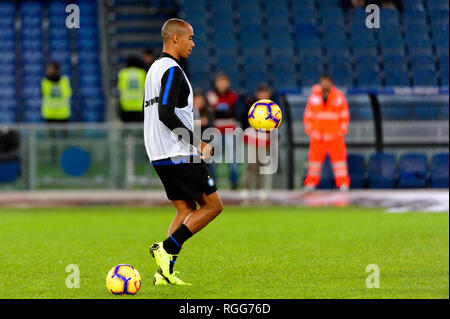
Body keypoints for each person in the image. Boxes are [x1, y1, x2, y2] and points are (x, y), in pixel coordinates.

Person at [144, 18, 223, 285]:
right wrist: (197, 143)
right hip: (176, 151)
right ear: (174, 39)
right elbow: (166, 113)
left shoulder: (154, 69)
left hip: (158, 153)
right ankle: (166, 248)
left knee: (185, 208)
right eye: (190, 38)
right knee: (213, 206)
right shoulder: (172, 70)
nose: (193, 43)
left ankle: (163, 274)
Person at [303, 74, 350, 191]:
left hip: (335, 137)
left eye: (327, 82)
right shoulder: (313, 98)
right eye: (323, 82)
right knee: (314, 162)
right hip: (318, 137)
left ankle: (343, 184)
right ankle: (310, 184)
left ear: (331, 83)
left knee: (339, 163)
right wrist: (311, 132)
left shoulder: (339, 98)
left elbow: (344, 116)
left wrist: (340, 132)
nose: (325, 85)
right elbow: (308, 116)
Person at [206, 72, 239, 189]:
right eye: (220, 82)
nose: (222, 85)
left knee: (232, 158)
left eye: (224, 82)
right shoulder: (211, 96)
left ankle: (234, 183)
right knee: (213, 159)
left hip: (230, 130)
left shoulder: (233, 96)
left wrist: (220, 111)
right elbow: (211, 113)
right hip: (216, 131)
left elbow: (235, 113)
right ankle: (212, 184)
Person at [240, 84, 272, 190]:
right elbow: (244, 120)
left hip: (265, 140)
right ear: (257, 94)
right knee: (251, 164)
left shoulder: (273, 108)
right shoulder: (250, 105)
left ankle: (259, 188)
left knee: (262, 166)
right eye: (261, 93)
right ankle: (246, 188)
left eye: (265, 93)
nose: (263, 95)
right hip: (252, 139)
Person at [117, 56, 146, 122]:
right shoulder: (142, 73)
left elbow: (120, 88)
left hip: (126, 106)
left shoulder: (122, 73)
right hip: (139, 106)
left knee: (127, 130)